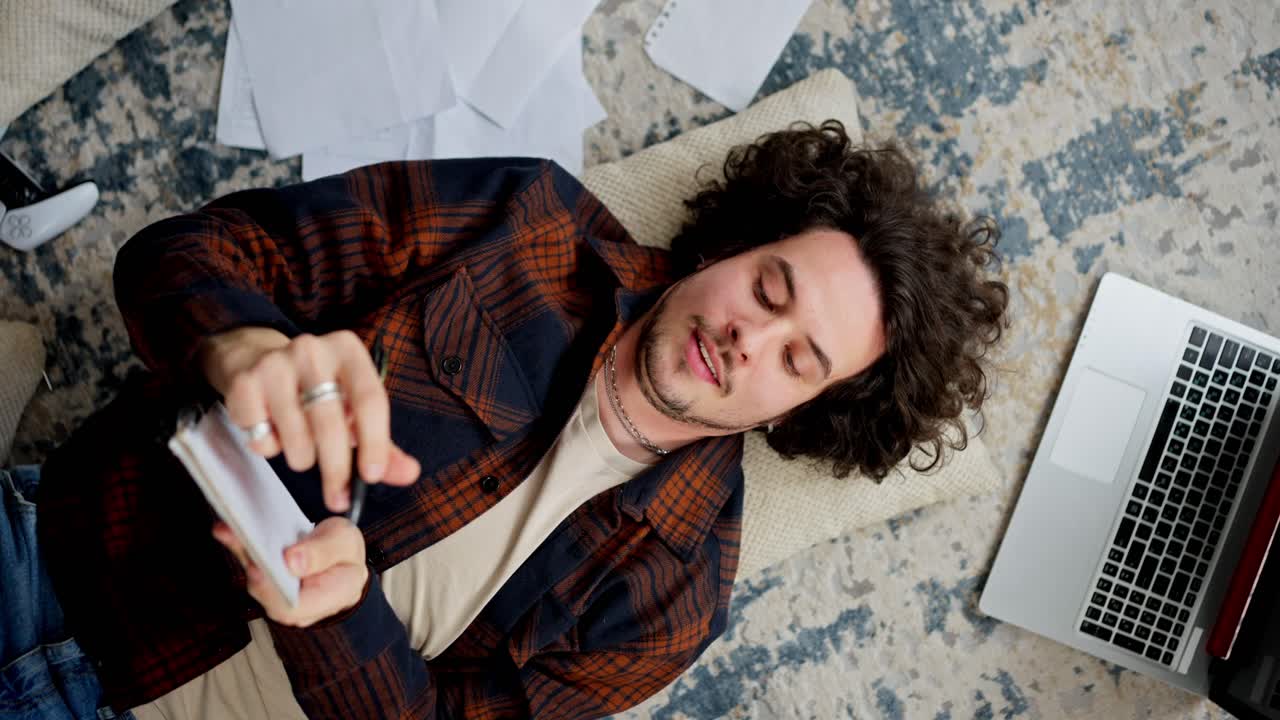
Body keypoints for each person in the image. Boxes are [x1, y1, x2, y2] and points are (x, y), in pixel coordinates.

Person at [10, 120, 1008, 719]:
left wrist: (339, 618)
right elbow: (186, 253)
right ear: (732, 247)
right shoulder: (525, 221)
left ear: (810, 409)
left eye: (798, 359)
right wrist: (243, 347)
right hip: (52, 556)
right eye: (769, 287)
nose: (750, 339)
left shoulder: (675, 600)